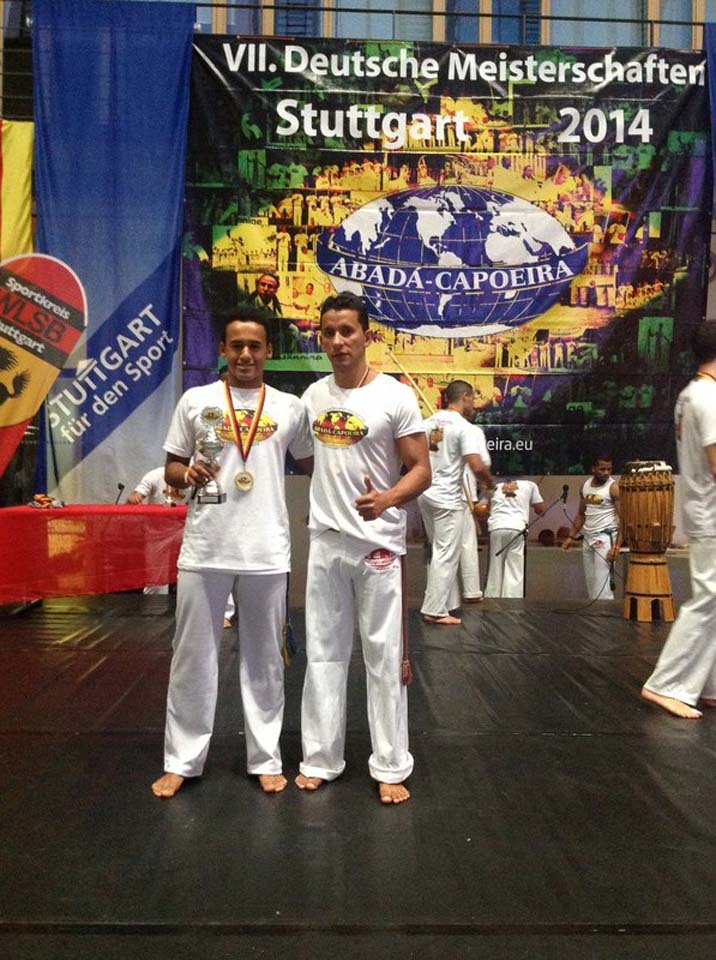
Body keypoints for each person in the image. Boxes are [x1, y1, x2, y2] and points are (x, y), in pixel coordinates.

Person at [151, 306, 313, 799]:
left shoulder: (289, 407)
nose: (245, 354)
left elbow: (318, 466)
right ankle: (181, 760)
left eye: (254, 346)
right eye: (236, 345)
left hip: (266, 550)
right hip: (205, 546)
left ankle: (265, 758)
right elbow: (171, 467)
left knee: (265, 662)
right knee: (192, 659)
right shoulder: (196, 401)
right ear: (222, 349)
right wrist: (187, 474)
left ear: (268, 351)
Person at [296, 292, 431, 804]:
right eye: (329, 332)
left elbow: (421, 469)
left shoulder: (395, 395)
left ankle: (391, 765)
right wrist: (329, 496)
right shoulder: (313, 396)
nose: (337, 341)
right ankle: (320, 759)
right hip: (326, 543)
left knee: (383, 657)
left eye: (347, 331)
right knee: (323, 655)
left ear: (367, 335)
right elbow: (311, 460)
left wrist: (388, 499)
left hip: (378, 546)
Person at [641, 323, 716, 718]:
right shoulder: (709, 397)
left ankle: (707, 685)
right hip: (712, 511)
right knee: (710, 598)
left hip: (703, 507)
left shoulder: (691, 393)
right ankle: (666, 684)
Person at [418, 381, 493, 625]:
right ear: (465, 397)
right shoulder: (464, 428)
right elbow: (477, 465)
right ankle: (435, 610)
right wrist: (490, 483)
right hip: (447, 498)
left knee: (438, 550)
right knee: (446, 554)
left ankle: (447, 603)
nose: (474, 404)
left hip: (424, 493)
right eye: (473, 398)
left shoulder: (427, 423)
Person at [562, 456, 621, 599]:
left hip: (605, 537)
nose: (606, 472)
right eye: (602, 469)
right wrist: (570, 537)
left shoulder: (613, 488)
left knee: (602, 587)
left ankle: (605, 613)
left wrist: (617, 547)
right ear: (593, 469)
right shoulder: (585, 486)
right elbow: (581, 514)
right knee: (591, 583)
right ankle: (596, 614)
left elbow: (625, 520)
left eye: (609, 469)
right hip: (588, 538)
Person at [485, 479, 545, 597]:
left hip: (497, 527)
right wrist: (528, 501)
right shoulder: (530, 484)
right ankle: (512, 603)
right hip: (517, 527)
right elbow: (541, 511)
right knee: (514, 569)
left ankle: (492, 600)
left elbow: (482, 507)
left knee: (495, 568)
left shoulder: (494, 484)